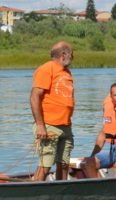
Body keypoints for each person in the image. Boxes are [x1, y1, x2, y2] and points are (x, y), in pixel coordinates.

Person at [30, 41, 74, 181]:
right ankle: (35, 193)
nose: (73, 58)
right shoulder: (47, 69)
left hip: (65, 126)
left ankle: (61, 192)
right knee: (45, 164)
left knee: (64, 163)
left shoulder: (66, 72)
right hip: (49, 126)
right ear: (63, 55)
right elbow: (34, 96)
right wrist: (40, 125)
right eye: (72, 55)